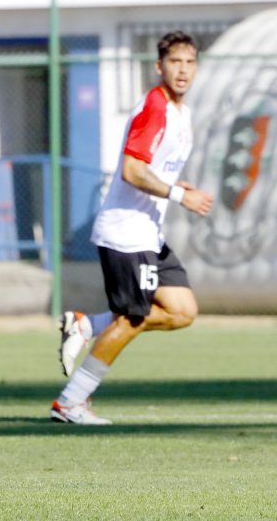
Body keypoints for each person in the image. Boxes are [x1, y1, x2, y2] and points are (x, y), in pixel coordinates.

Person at [51, 31, 214, 425]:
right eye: (174, 62)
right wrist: (180, 195)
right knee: (133, 319)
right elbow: (132, 170)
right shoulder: (155, 108)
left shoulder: (181, 112)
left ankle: (88, 324)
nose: (183, 70)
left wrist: (175, 185)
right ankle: (70, 402)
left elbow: (153, 168)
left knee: (182, 311)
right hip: (126, 234)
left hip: (148, 233)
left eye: (189, 62)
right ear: (159, 67)